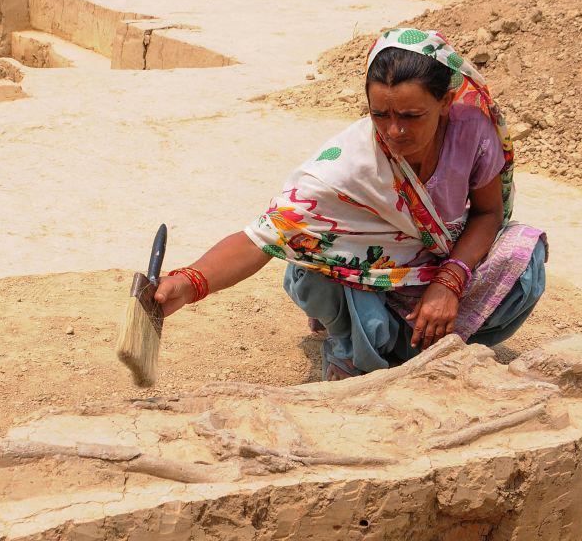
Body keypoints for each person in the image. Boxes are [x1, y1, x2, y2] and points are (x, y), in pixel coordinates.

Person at [155, 28, 547, 381]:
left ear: (445, 101)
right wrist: (190, 283)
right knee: (312, 270)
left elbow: (488, 212)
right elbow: (262, 237)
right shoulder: (347, 164)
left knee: (524, 259)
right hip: (370, 279)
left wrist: (450, 281)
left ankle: (406, 347)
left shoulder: (472, 131)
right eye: (381, 114)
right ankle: (352, 351)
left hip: (438, 263)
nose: (395, 131)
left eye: (412, 116)